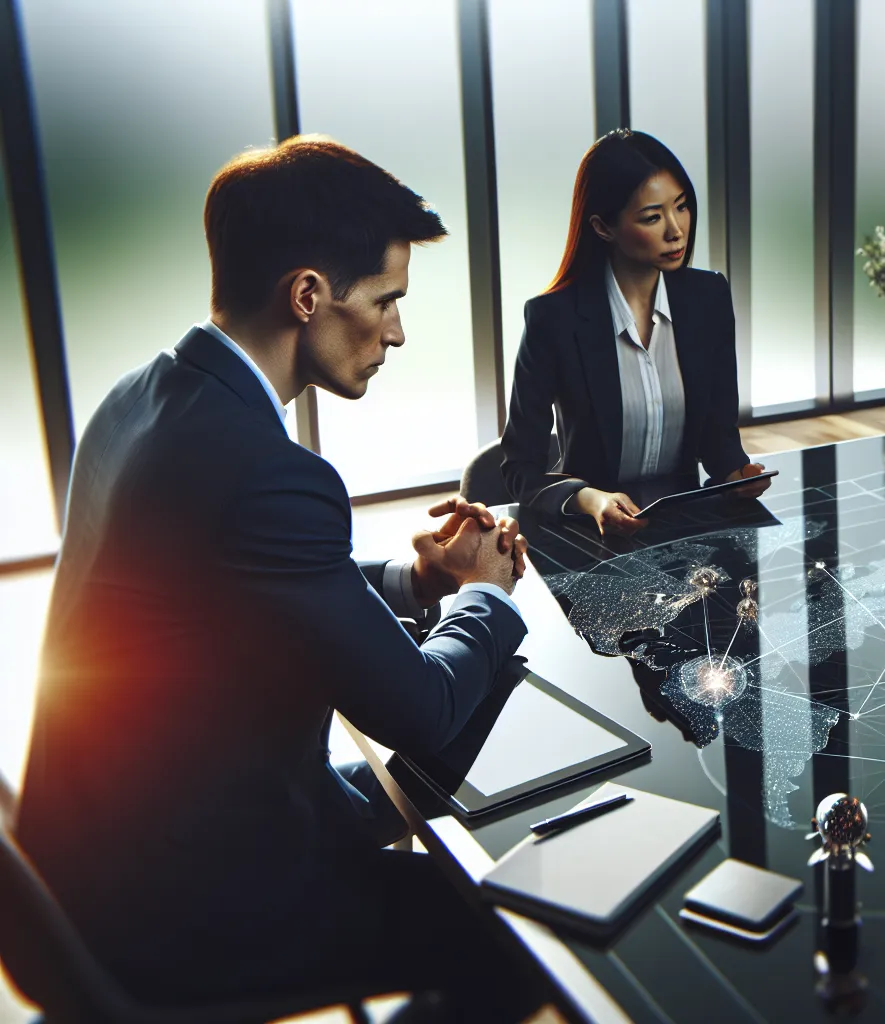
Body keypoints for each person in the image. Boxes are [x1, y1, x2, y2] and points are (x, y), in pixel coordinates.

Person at [15, 137, 539, 1019]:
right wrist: (488, 592)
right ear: (307, 295)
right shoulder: (269, 472)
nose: (397, 332)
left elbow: (247, 580)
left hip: (83, 870)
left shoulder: (139, 397)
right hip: (190, 909)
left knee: (419, 800)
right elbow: (421, 706)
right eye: (387, 300)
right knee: (519, 933)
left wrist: (417, 578)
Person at [500, 128, 769, 535]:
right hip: (590, 533)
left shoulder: (708, 298)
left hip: (687, 524)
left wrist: (736, 475)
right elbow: (521, 468)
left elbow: (719, 439)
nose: (676, 230)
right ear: (603, 227)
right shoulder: (554, 318)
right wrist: (590, 499)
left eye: (681, 207)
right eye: (652, 217)